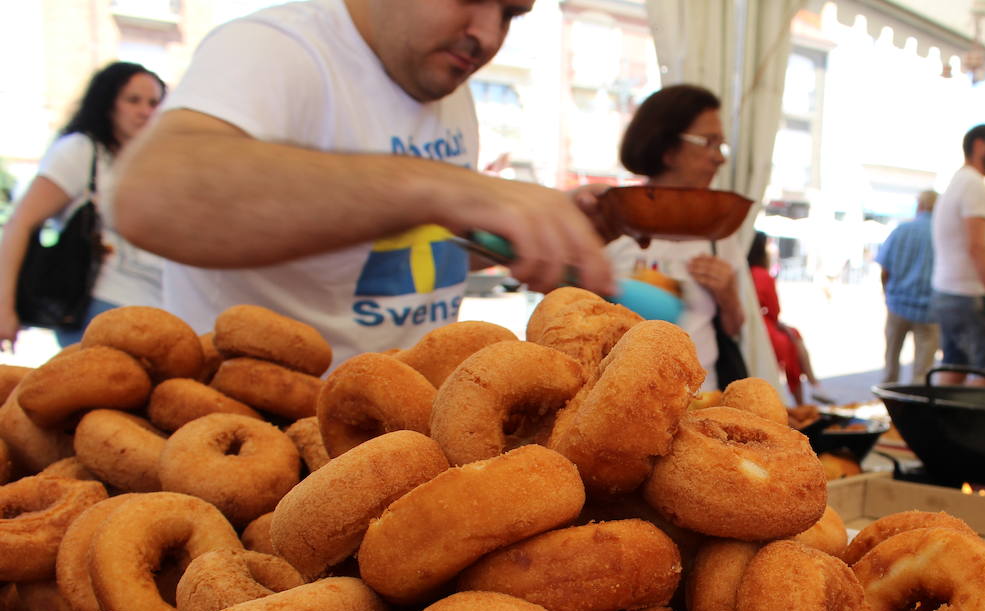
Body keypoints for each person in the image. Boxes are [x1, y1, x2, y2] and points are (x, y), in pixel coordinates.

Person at [113, 0, 614, 364]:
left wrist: (526, 231)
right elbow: (148, 196)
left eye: (510, 13)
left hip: (406, 426)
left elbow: (401, 248)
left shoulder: (445, 81)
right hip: (271, 437)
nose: (486, 34)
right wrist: (443, 188)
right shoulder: (278, 47)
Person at [606, 84, 777, 391]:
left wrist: (727, 296)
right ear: (667, 149)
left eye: (721, 145)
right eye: (709, 143)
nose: (720, 159)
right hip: (621, 398)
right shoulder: (612, 222)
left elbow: (734, 327)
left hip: (702, 400)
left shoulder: (718, 228)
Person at [0, 62, 165, 350]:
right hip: (98, 307)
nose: (145, 111)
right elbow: (21, 223)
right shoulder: (81, 150)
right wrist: (4, 308)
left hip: (153, 310)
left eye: (154, 103)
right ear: (107, 103)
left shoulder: (149, 162)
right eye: (133, 100)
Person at [929, 124, 985, 386]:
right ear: (980, 146)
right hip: (967, 295)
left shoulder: (959, 182)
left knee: (955, 367)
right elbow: (977, 246)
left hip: (949, 290)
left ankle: (935, 423)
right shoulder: (973, 185)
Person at [747, 232, 829, 405]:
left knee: (793, 336)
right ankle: (808, 391)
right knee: (791, 342)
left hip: (753, 323)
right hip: (762, 326)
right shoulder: (763, 275)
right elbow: (775, 310)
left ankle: (811, 388)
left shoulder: (745, 272)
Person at [875, 189, 939, 385]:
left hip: (898, 305)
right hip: (929, 311)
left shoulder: (902, 230)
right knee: (922, 373)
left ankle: (886, 408)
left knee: (890, 367)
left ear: (919, 206)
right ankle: (915, 413)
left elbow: (885, 271)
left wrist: (887, 295)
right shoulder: (941, 234)